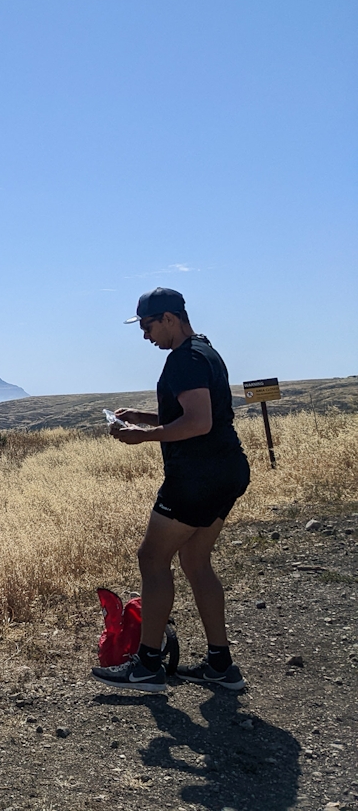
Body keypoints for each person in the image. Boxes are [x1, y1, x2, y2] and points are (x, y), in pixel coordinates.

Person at [91, 288, 250, 693]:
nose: (146, 336)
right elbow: (198, 411)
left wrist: (144, 436)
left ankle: (146, 666)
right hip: (227, 471)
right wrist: (144, 416)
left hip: (197, 478)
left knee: (152, 558)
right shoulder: (205, 352)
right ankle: (220, 665)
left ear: (169, 318)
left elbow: (197, 423)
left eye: (147, 326)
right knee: (196, 561)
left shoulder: (184, 359)